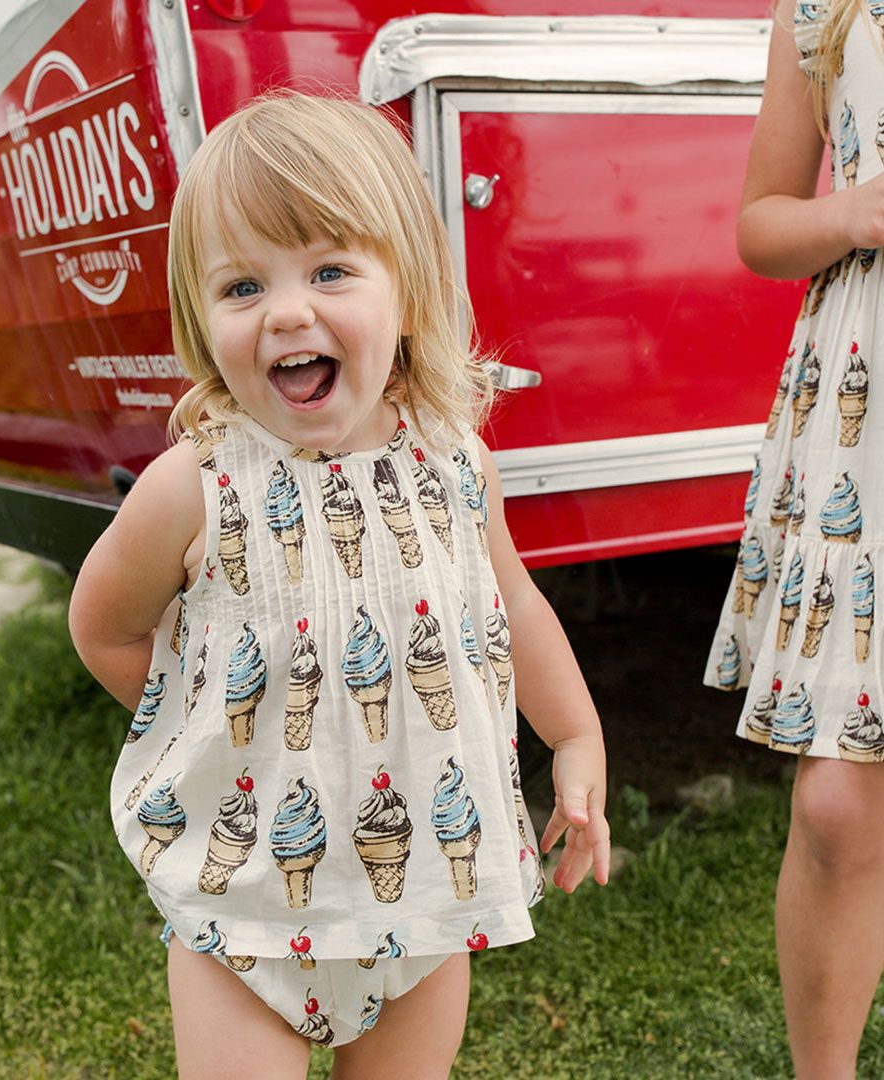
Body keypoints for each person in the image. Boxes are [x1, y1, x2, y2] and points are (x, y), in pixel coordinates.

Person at [68, 91, 609, 1080]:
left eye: (328, 271)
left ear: (408, 287)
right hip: (245, 911)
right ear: (200, 319)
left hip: (424, 898)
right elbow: (104, 626)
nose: (287, 311)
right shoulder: (194, 486)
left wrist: (575, 735)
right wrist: (202, 723)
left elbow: (514, 606)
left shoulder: (453, 460)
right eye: (241, 286)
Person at [704, 2, 884, 1076]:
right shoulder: (823, 8)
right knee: (837, 806)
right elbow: (761, 224)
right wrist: (852, 212)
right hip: (866, 424)